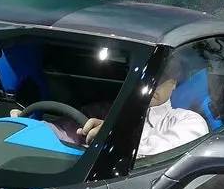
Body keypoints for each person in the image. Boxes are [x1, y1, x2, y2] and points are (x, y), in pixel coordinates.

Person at [76, 62, 209, 157]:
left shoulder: (189, 122)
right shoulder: (101, 111)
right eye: (144, 75)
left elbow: (162, 155)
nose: (151, 83)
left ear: (174, 81)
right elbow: (61, 131)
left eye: (161, 76)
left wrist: (115, 137)